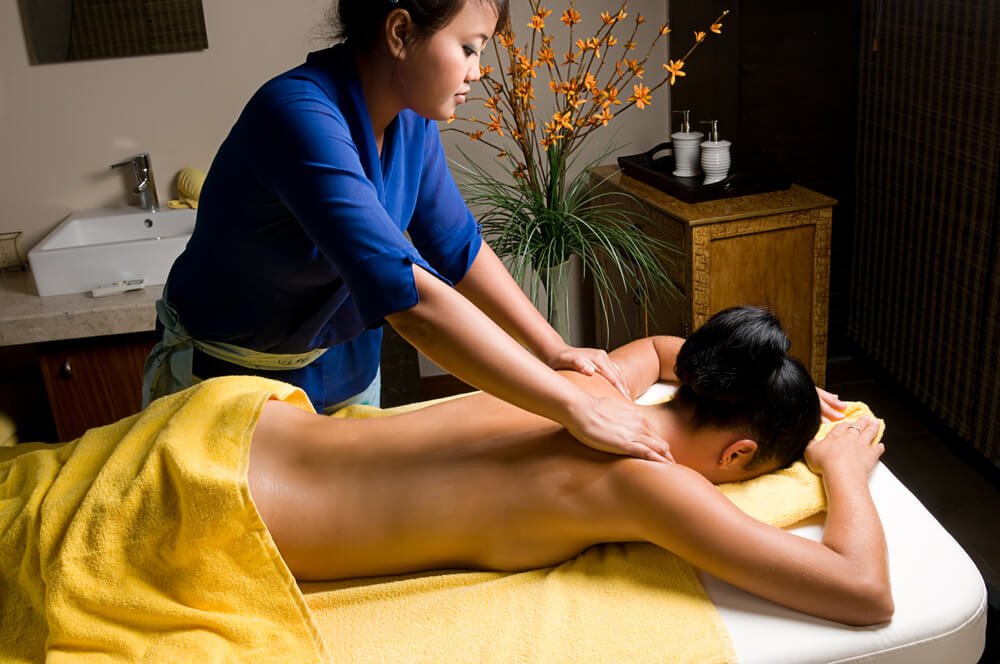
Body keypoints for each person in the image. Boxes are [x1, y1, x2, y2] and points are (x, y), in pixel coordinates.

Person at [142, 0, 683, 463]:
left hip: (341, 367)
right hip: (229, 378)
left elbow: (456, 246)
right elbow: (410, 297)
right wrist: (573, 406)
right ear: (400, 33)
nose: (479, 71)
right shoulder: (296, 115)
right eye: (469, 48)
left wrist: (554, 348)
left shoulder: (411, 120)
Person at [248, 306, 892, 626]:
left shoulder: (600, 386)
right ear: (738, 455)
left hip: (241, 428)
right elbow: (865, 594)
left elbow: (664, 350)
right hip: (238, 513)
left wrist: (774, 381)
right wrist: (841, 468)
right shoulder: (653, 482)